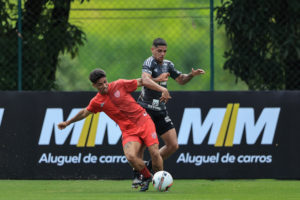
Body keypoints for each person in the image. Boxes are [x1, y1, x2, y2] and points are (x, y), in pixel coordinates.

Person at [57, 68, 171, 192]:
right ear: (94, 85)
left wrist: (161, 86)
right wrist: (68, 122)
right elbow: (85, 112)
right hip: (128, 131)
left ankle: (162, 183)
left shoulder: (120, 84)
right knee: (131, 156)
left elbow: (142, 81)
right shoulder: (96, 101)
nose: (104, 85)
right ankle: (148, 177)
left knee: (154, 153)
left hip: (143, 121)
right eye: (100, 84)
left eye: (105, 82)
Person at [135, 38, 205, 178]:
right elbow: (145, 80)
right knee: (142, 144)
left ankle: (148, 166)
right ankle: (139, 176)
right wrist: (161, 87)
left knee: (173, 145)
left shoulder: (168, 64)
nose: (162, 54)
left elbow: (180, 80)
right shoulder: (149, 62)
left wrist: (191, 75)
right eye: (159, 51)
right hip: (145, 109)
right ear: (152, 50)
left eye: (164, 51)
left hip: (160, 110)